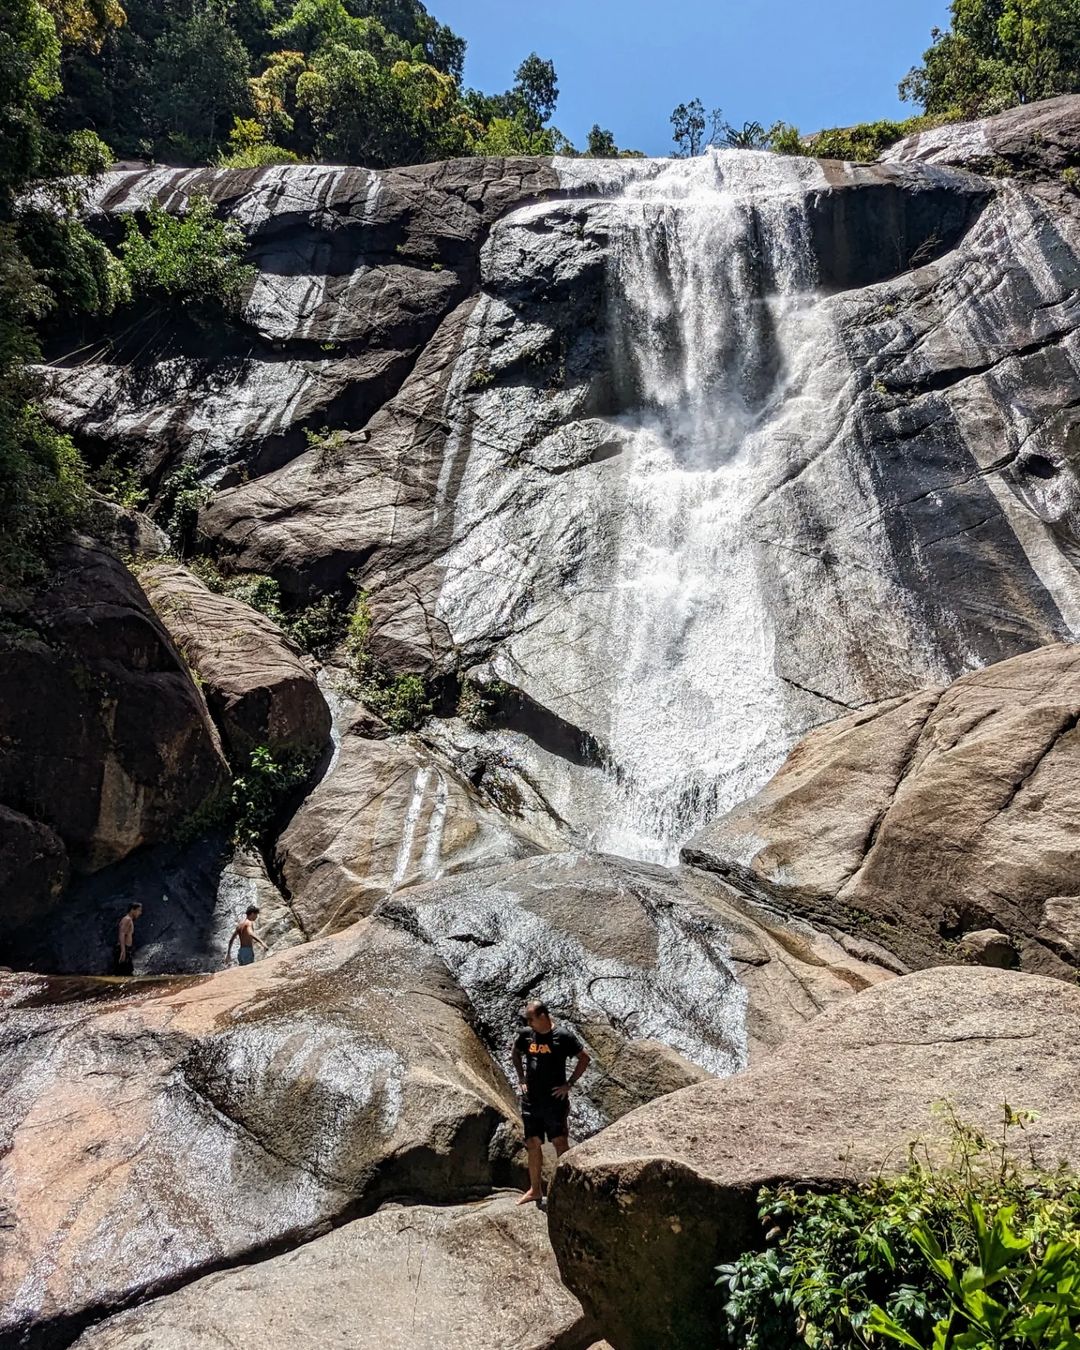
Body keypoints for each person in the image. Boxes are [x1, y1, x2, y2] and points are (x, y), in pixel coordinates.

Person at [511, 1000, 590, 1206]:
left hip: (554, 1101)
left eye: (531, 1018)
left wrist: (569, 1084)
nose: (528, 1022)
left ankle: (565, 1190)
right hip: (532, 1100)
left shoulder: (562, 1036)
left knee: (560, 1142)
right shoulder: (526, 1035)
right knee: (532, 1143)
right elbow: (515, 1053)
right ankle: (535, 1190)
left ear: (543, 1016)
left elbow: (584, 1058)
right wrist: (521, 1079)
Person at [114, 902, 142, 976]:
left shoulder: (129, 920)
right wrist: (123, 951)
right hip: (123, 949)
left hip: (126, 949)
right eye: (139, 910)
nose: (140, 913)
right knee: (126, 973)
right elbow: (121, 934)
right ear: (132, 910)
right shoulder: (127, 919)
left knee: (125, 973)